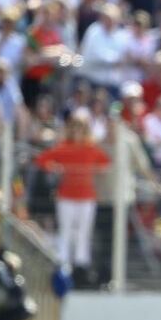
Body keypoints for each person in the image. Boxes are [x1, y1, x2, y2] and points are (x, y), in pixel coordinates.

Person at [34, 112, 110, 282]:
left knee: (84, 231)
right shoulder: (63, 147)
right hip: (66, 196)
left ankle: (81, 266)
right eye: (75, 126)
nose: (78, 131)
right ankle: (63, 264)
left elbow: (105, 163)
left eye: (81, 127)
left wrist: (94, 171)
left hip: (86, 196)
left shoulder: (91, 148)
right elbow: (42, 160)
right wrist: (54, 168)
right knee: (66, 230)